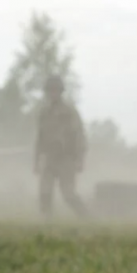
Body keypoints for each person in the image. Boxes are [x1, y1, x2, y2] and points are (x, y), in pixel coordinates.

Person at [34, 75, 88, 217]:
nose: (52, 94)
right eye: (49, 91)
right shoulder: (44, 113)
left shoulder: (69, 112)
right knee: (44, 193)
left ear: (60, 92)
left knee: (68, 194)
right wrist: (36, 161)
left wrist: (80, 159)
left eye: (55, 90)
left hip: (66, 158)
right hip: (50, 158)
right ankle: (47, 222)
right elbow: (40, 138)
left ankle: (87, 218)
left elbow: (79, 136)